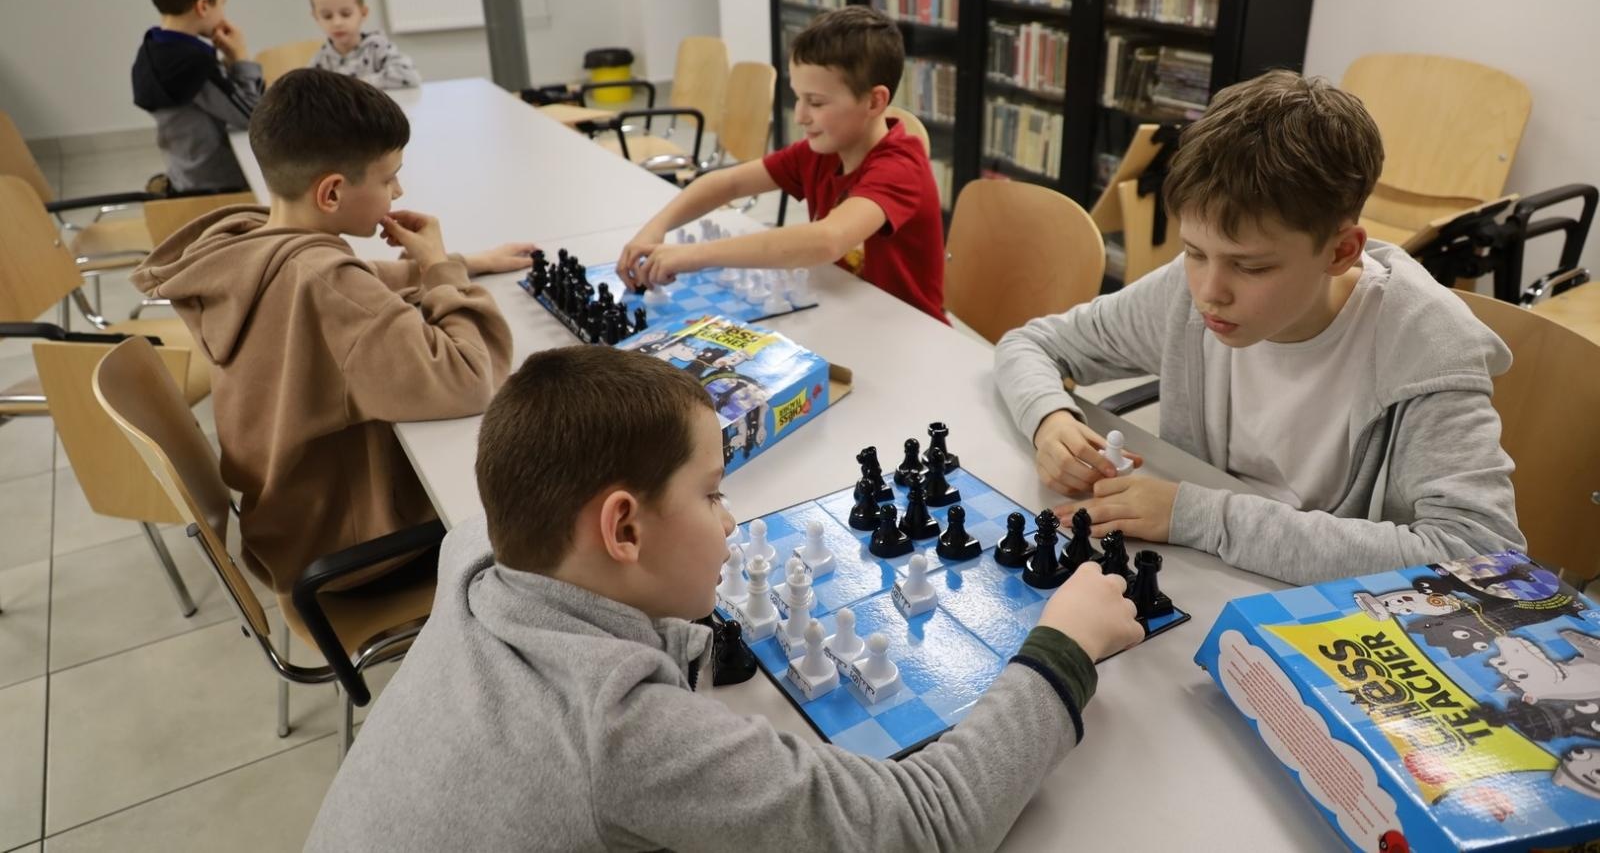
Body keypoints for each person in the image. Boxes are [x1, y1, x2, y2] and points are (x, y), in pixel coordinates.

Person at [306, 345, 1143, 852]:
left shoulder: (476, 560)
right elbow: (921, 825)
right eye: (712, 494)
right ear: (623, 528)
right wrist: (1062, 646)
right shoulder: (621, 734)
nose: (733, 515)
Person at [996, 69, 1525, 586]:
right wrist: (1049, 419)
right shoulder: (1186, 293)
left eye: (1251, 267)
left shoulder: (1425, 347)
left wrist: (1200, 516)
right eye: (1194, 252)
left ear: (1341, 251)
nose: (1209, 291)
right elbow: (1031, 343)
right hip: (1207, 579)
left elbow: (1482, 557)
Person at [131, 68, 533, 594]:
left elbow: (355, 285)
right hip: (352, 554)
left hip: (290, 529)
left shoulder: (247, 243)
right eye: (389, 177)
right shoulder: (325, 280)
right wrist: (440, 272)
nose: (399, 190)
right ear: (332, 193)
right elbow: (469, 378)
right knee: (541, 504)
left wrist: (459, 262)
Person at [618, 6, 947, 322]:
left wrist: (696, 255)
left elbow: (827, 240)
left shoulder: (900, 165)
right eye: (798, 97)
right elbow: (727, 184)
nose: (801, 116)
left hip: (909, 331)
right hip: (847, 312)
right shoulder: (823, 150)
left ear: (875, 101)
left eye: (816, 102)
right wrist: (656, 228)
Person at [131, 0, 259, 192]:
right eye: (222, 2)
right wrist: (241, 59)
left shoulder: (152, 49)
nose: (223, 12)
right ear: (203, 6)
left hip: (185, 177)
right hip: (221, 187)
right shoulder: (194, 63)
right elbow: (254, 118)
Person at [307, 0, 421, 89]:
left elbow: (411, 77)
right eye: (327, 16)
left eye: (346, 14)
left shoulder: (378, 47)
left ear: (363, 13)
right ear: (316, 17)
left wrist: (357, 84)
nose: (337, 23)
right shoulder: (320, 60)